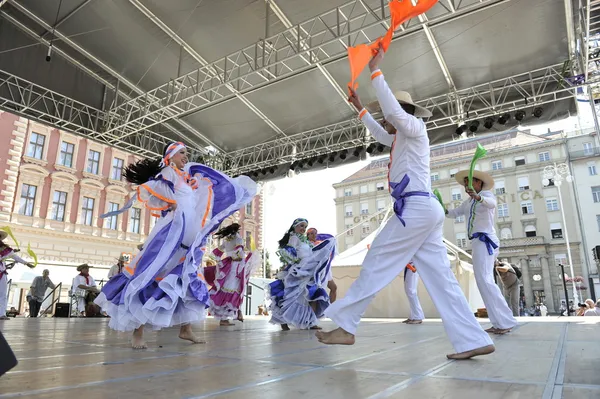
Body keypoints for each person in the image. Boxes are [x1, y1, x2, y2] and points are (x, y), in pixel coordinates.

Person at [316, 45, 495, 360]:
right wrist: (360, 107)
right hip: (423, 212)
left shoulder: (414, 127)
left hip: (415, 210)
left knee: (376, 262)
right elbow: (378, 130)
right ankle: (472, 339)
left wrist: (376, 71)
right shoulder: (400, 137)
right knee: (441, 279)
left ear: (397, 112)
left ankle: (346, 326)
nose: (385, 121)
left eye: (387, 115)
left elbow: (394, 115)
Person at [94, 142, 257, 349]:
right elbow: (153, 191)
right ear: (170, 156)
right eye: (182, 153)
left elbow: (196, 201)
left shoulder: (185, 179)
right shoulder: (168, 173)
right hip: (172, 232)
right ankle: (138, 332)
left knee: (186, 278)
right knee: (152, 275)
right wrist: (169, 203)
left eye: (187, 153)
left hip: (189, 234)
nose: (186, 156)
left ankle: (186, 329)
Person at [446, 169, 517, 335]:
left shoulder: (486, 195)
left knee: (485, 280)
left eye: (469, 182)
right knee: (483, 281)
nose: (466, 186)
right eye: (465, 183)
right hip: (478, 241)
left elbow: (491, 203)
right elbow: (454, 213)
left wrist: (478, 197)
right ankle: (499, 321)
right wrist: (441, 208)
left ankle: (505, 320)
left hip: (485, 240)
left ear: (478, 183)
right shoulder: (468, 202)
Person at [269, 219, 337, 331]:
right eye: (301, 226)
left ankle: (311, 322)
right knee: (292, 296)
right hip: (299, 271)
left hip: (309, 270)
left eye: (305, 227)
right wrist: (295, 262)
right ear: (295, 226)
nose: (303, 229)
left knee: (312, 294)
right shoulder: (294, 237)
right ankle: (284, 320)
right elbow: (286, 252)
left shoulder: (304, 240)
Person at [208, 223, 259, 326]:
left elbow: (215, 254)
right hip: (237, 266)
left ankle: (229, 316)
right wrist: (239, 258)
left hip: (229, 265)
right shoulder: (238, 239)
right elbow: (238, 253)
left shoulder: (227, 240)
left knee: (227, 289)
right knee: (235, 289)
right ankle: (229, 317)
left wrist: (220, 262)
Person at [0, 231, 34, 320]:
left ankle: (2, 314)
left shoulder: (5, 249)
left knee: (3, 294)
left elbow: (15, 256)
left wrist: (26, 263)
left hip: (1, 274)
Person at [307, 228, 338, 303]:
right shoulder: (307, 245)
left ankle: (330, 308)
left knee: (333, 288)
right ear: (308, 235)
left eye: (315, 233)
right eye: (311, 233)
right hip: (316, 271)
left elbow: (328, 254)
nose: (314, 235)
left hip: (325, 268)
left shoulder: (320, 243)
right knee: (316, 294)